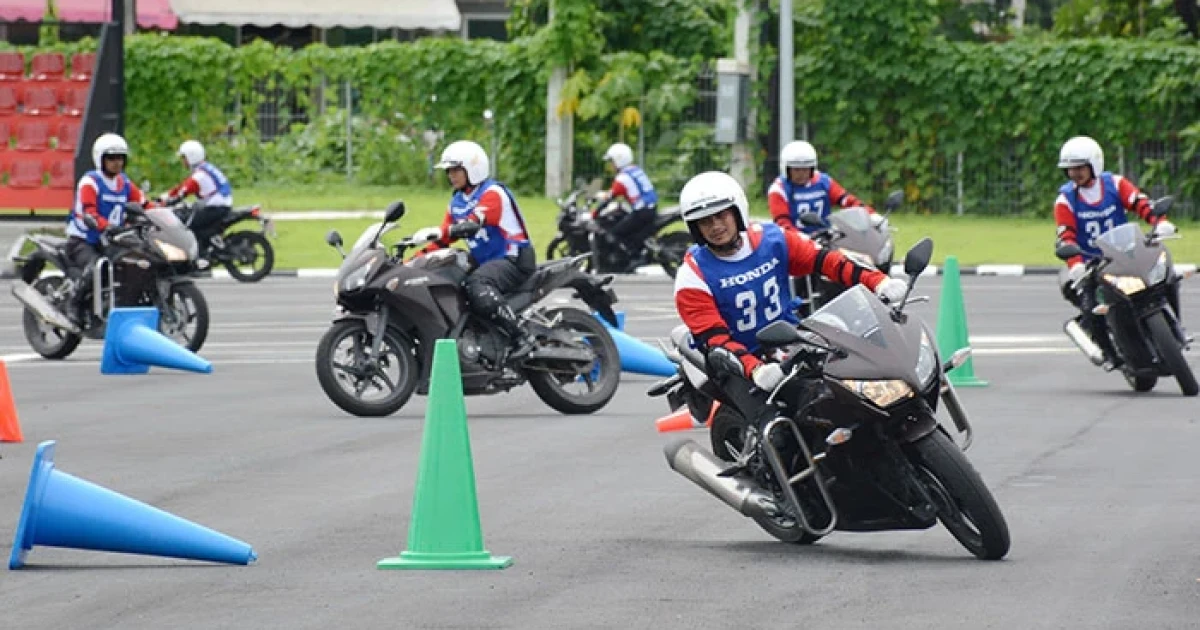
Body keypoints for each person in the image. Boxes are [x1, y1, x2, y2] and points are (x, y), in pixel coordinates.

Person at [674, 170, 908, 429]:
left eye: (721, 215)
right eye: (705, 221)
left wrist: (879, 282)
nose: (716, 226)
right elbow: (715, 340)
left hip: (790, 338)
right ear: (695, 228)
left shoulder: (772, 240)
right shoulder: (692, 276)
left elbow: (826, 260)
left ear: (737, 210)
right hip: (737, 362)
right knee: (778, 430)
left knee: (847, 394)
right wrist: (755, 369)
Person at [1054, 135, 1177, 370]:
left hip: (1127, 252)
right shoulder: (1065, 200)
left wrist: (1159, 222)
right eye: (1070, 169)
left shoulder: (1116, 184)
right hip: (1094, 265)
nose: (1075, 174)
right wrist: (1076, 264)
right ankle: (1109, 353)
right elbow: (1065, 236)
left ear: (1094, 164)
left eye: (1079, 168)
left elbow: (1143, 205)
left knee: (1167, 274)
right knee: (1091, 307)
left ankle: (1174, 325)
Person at [411, 140, 537, 359]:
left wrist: (443, 231)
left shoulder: (493, 193)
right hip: (487, 262)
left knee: (476, 284)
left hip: (514, 258)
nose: (451, 175)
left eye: (456, 170)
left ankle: (521, 336)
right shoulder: (457, 201)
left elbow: (472, 224)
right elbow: (444, 239)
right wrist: (414, 261)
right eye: (449, 171)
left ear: (473, 169)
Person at [63, 132, 148, 319]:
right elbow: (89, 213)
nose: (117, 162)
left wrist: (166, 213)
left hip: (111, 239)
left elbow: (143, 203)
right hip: (84, 240)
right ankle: (73, 303)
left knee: (135, 261)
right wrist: (106, 226)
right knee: (96, 267)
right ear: (100, 158)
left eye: (120, 158)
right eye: (111, 158)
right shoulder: (90, 181)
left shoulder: (123, 182)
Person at [767, 140, 884, 236]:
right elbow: (783, 224)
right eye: (797, 170)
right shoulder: (779, 190)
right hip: (796, 244)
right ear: (786, 169)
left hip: (825, 238)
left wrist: (871, 215)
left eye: (806, 169)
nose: (802, 174)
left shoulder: (823, 182)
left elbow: (847, 200)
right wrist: (801, 240)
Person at [157, 140, 234, 247]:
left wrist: (166, 203)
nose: (183, 161)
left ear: (191, 157)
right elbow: (182, 186)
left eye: (184, 158)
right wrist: (163, 196)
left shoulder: (199, 176)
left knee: (187, 226)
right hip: (221, 204)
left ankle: (204, 249)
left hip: (216, 207)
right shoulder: (205, 168)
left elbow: (181, 194)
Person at [596, 142, 659, 267]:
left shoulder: (622, 177)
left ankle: (634, 257)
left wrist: (595, 212)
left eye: (612, 161)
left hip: (642, 211)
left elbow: (610, 196)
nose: (611, 165)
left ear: (619, 160)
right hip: (650, 208)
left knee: (614, 233)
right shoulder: (635, 170)